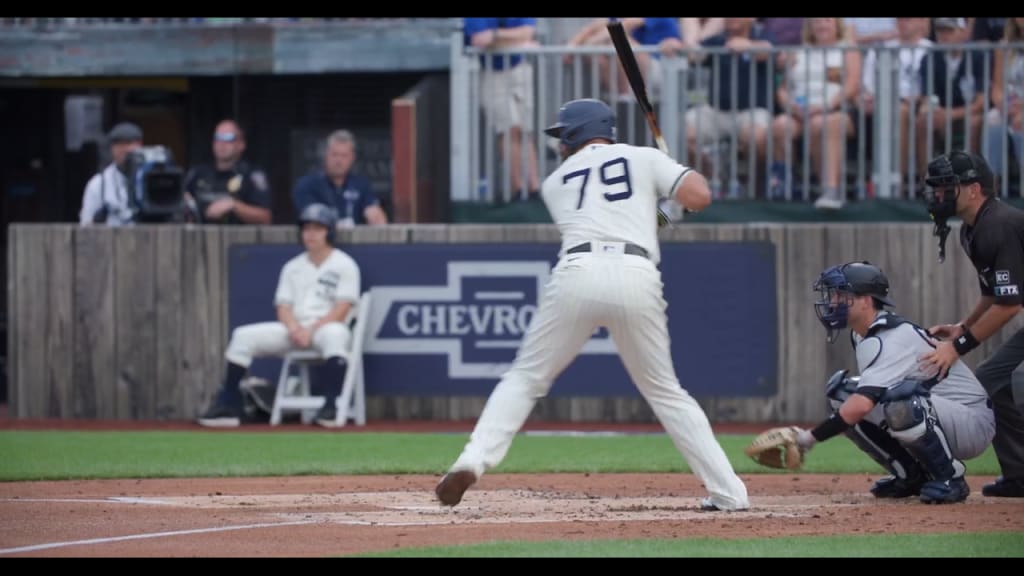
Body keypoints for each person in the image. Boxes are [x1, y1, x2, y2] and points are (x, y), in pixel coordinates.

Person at [434, 98, 749, 512]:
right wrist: (674, 178)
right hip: (636, 273)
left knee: (526, 377)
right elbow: (699, 196)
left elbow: (626, 210)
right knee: (666, 392)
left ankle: (472, 461)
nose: (559, 144)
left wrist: (664, 195)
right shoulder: (643, 156)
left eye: (562, 134)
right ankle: (729, 492)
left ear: (576, 133)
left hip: (577, 272)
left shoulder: (556, 182)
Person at [786, 262, 994, 504]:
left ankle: (950, 478)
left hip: (972, 422)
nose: (832, 302)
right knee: (841, 393)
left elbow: (863, 406)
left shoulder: (891, 338)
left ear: (865, 301)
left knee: (901, 402)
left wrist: (807, 438)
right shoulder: (863, 333)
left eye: (840, 295)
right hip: (941, 413)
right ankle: (910, 476)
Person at [197, 203, 361, 428]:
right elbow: (283, 306)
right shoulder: (292, 267)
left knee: (335, 335)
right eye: (306, 229)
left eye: (317, 228)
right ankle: (228, 404)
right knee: (243, 336)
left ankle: (331, 406)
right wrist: (295, 329)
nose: (311, 235)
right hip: (294, 330)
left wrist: (311, 330)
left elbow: (342, 308)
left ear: (329, 231)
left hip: (324, 328)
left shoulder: (344, 264)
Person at [920, 150, 1024, 498]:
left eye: (947, 187)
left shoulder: (999, 225)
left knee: (1020, 382)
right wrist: (963, 327)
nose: (938, 196)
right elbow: (995, 295)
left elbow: (1010, 305)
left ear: (974, 189)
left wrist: (958, 347)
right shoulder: (972, 228)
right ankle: (1020, 475)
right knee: (992, 381)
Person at [463, 18, 542, 199]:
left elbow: (528, 32)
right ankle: (518, 189)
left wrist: (495, 35)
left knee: (524, 130)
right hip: (492, 73)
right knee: (508, 129)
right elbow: (479, 40)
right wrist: (518, 42)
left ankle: (534, 188)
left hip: (518, 69)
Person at [183, 119, 272, 224]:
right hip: (200, 238)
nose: (222, 143)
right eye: (218, 138)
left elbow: (265, 217)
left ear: (241, 144)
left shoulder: (251, 174)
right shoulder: (198, 173)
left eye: (228, 138)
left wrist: (234, 206)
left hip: (238, 238)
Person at [292, 130, 388, 227]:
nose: (339, 160)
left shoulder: (361, 184)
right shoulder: (307, 185)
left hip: (353, 239)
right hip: (321, 239)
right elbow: (310, 219)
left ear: (352, 158)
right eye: (334, 154)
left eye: (344, 155)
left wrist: (375, 217)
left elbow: (374, 212)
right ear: (325, 155)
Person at [78, 122, 144, 226]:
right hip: (110, 240)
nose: (124, 149)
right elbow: (86, 225)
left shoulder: (153, 178)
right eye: (119, 144)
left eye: (128, 143)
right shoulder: (98, 184)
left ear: (139, 145)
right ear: (111, 148)